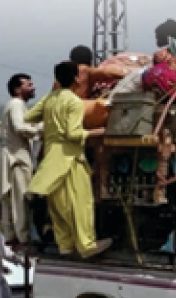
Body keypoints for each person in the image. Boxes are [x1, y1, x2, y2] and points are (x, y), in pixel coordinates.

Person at [25, 62, 112, 259]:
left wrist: (50, 94)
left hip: (51, 159)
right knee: (81, 203)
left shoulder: (51, 100)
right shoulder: (74, 102)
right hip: (70, 158)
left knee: (59, 205)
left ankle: (65, 245)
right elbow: (73, 134)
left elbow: (29, 116)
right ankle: (86, 245)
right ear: (76, 79)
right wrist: (98, 132)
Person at [0, 73, 42, 252]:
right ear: (18, 89)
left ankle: (15, 235)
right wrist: (41, 128)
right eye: (29, 84)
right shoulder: (17, 104)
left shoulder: (15, 105)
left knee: (15, 199)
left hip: (16, 155)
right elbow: (19, 127)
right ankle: (22, 236)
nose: (33, 88)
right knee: (21, 199)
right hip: (17, 158)